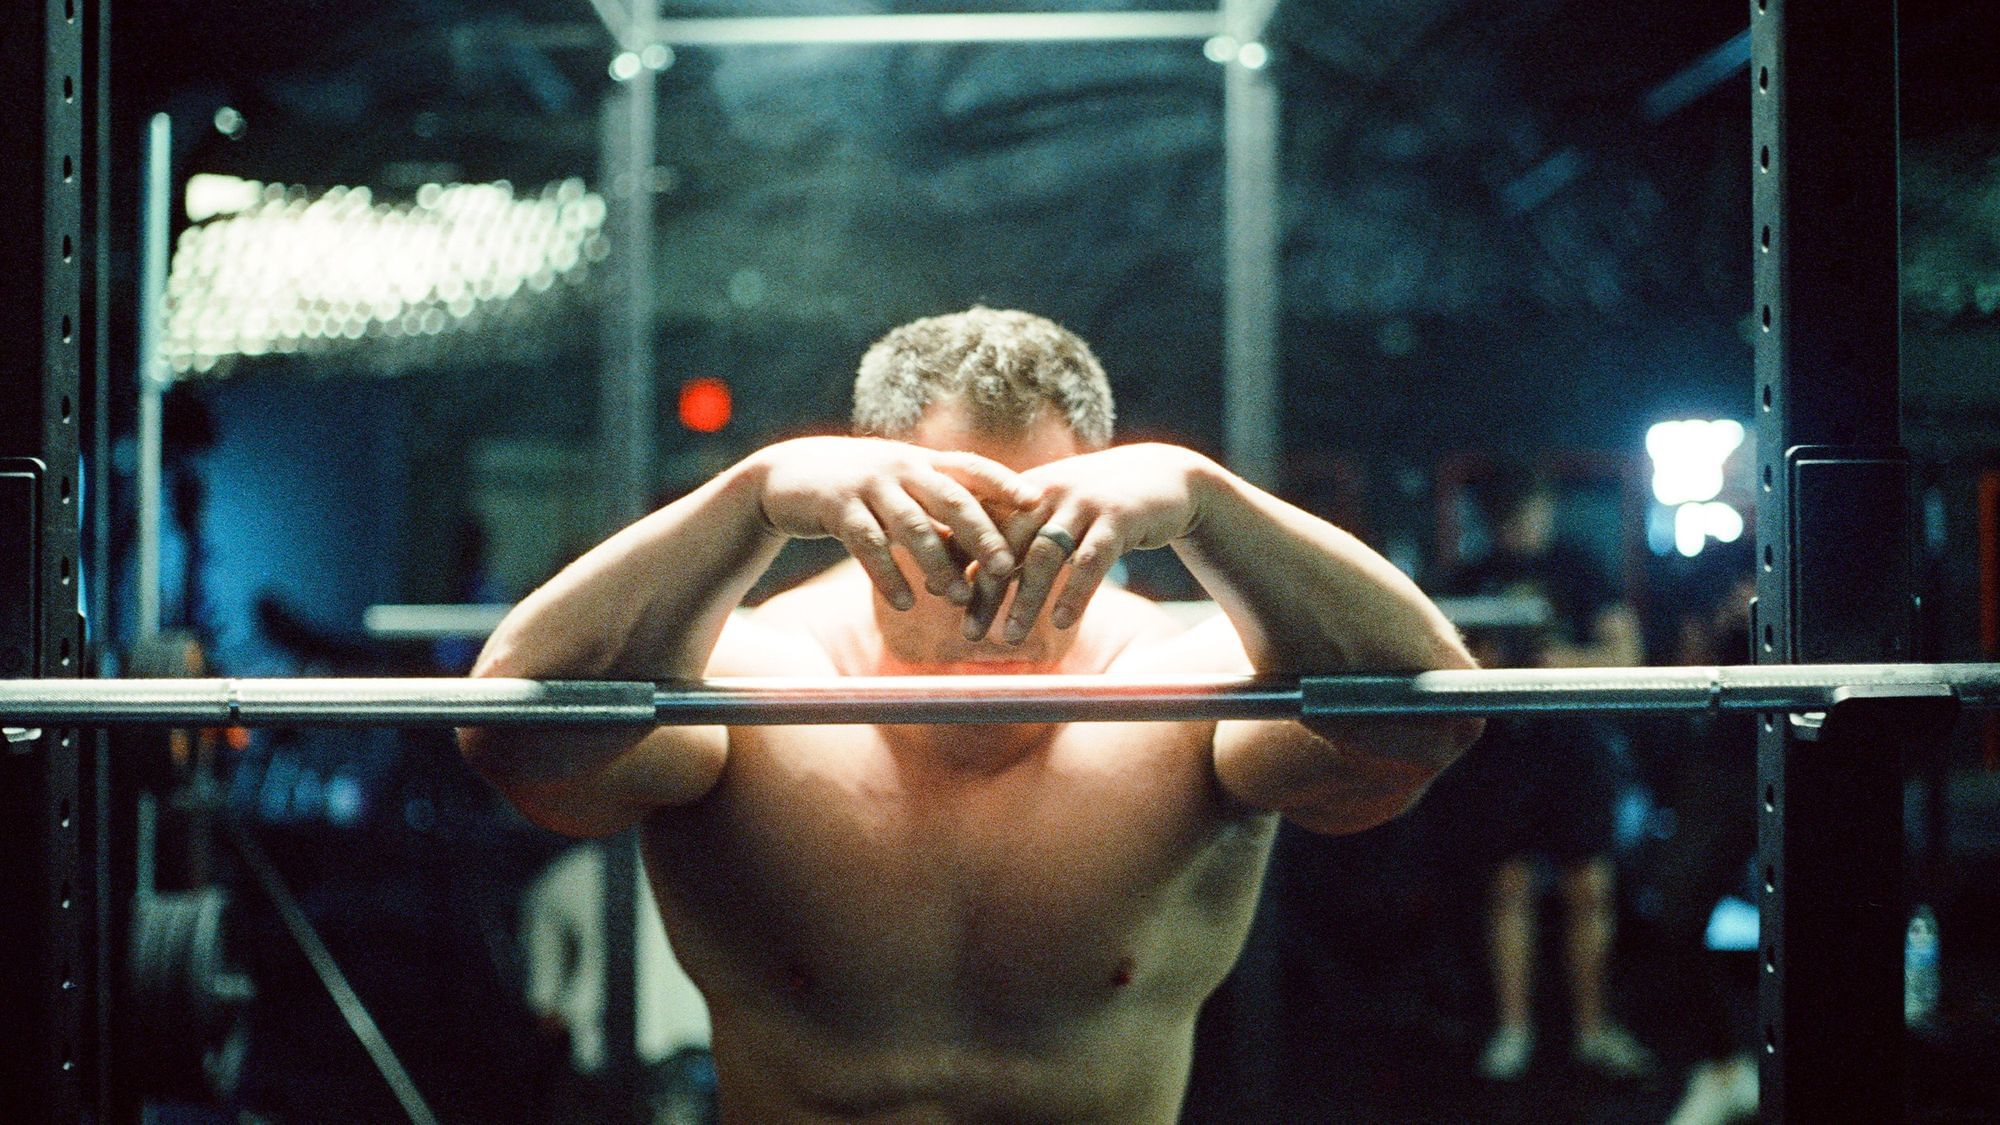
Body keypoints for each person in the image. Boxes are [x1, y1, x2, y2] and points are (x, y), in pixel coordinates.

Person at [458, 306, 1483, 1122]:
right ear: (864, 516)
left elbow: (1426, 723)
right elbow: (509, 737)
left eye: (1043, 536)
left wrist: (1207, 500)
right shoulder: (756, 674)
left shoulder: (1177, 678)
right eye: (950, 532)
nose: (1000, 582)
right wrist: (752, 495)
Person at [1436, 466, 1656, 1082]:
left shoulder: (1581, 569)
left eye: (1527, 509)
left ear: (1545, 506)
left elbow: (1627, 654)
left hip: (1573, 746)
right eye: (1507, 514)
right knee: (1509, 887)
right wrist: (1488, 665)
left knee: (1590, 886)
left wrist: (1561, 662)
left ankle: (1593, 1030)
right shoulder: (1471, 579)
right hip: (1504, 750)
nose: (1519, 525)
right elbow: (1445, 665)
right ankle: (1513, 1031)